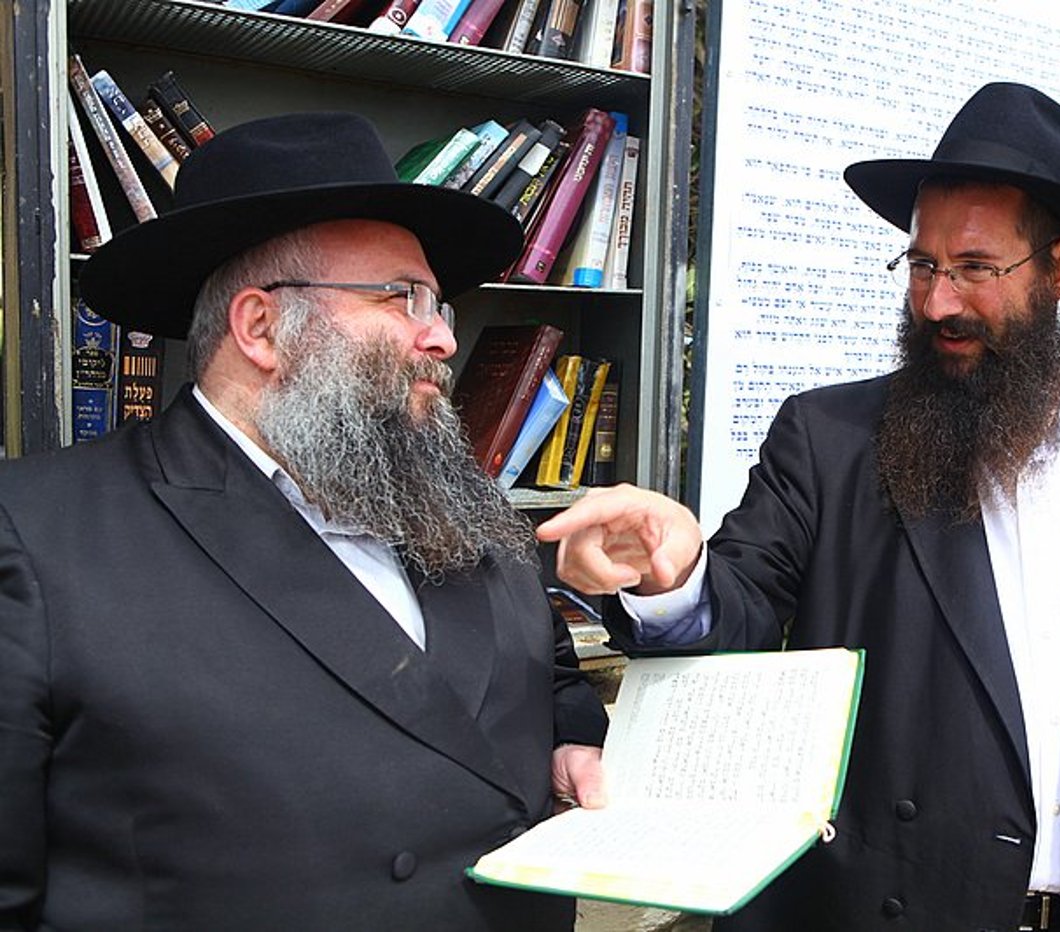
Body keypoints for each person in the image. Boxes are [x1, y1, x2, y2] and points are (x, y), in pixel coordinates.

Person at [537, 83, 1060, 931]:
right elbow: (741, 609)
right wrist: (676, 576)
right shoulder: (830, 439)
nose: (937, 304)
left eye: (975, 269)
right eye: (923, 265)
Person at [0, 112, 608, 931]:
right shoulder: (34, 537)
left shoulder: (461, 501)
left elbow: (544, 680)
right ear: (261, 328)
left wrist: (572, 744)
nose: (440, 338)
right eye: (404, 297)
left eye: (440, 306)